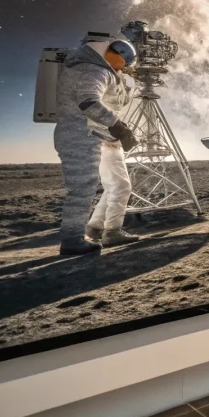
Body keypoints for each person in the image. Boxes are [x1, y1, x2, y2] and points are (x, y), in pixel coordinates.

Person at [54, 39, 140, 256]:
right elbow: (89, 102)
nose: (122, 68)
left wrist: (130, 81)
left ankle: (104, 229)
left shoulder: (100, 70)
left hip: (98, 135)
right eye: (123, 64)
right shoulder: (93, 70)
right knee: (82, 188)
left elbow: (115, 99)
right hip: (81, 135)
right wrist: (118, 126)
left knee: (118, 185)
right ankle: (72, 240)